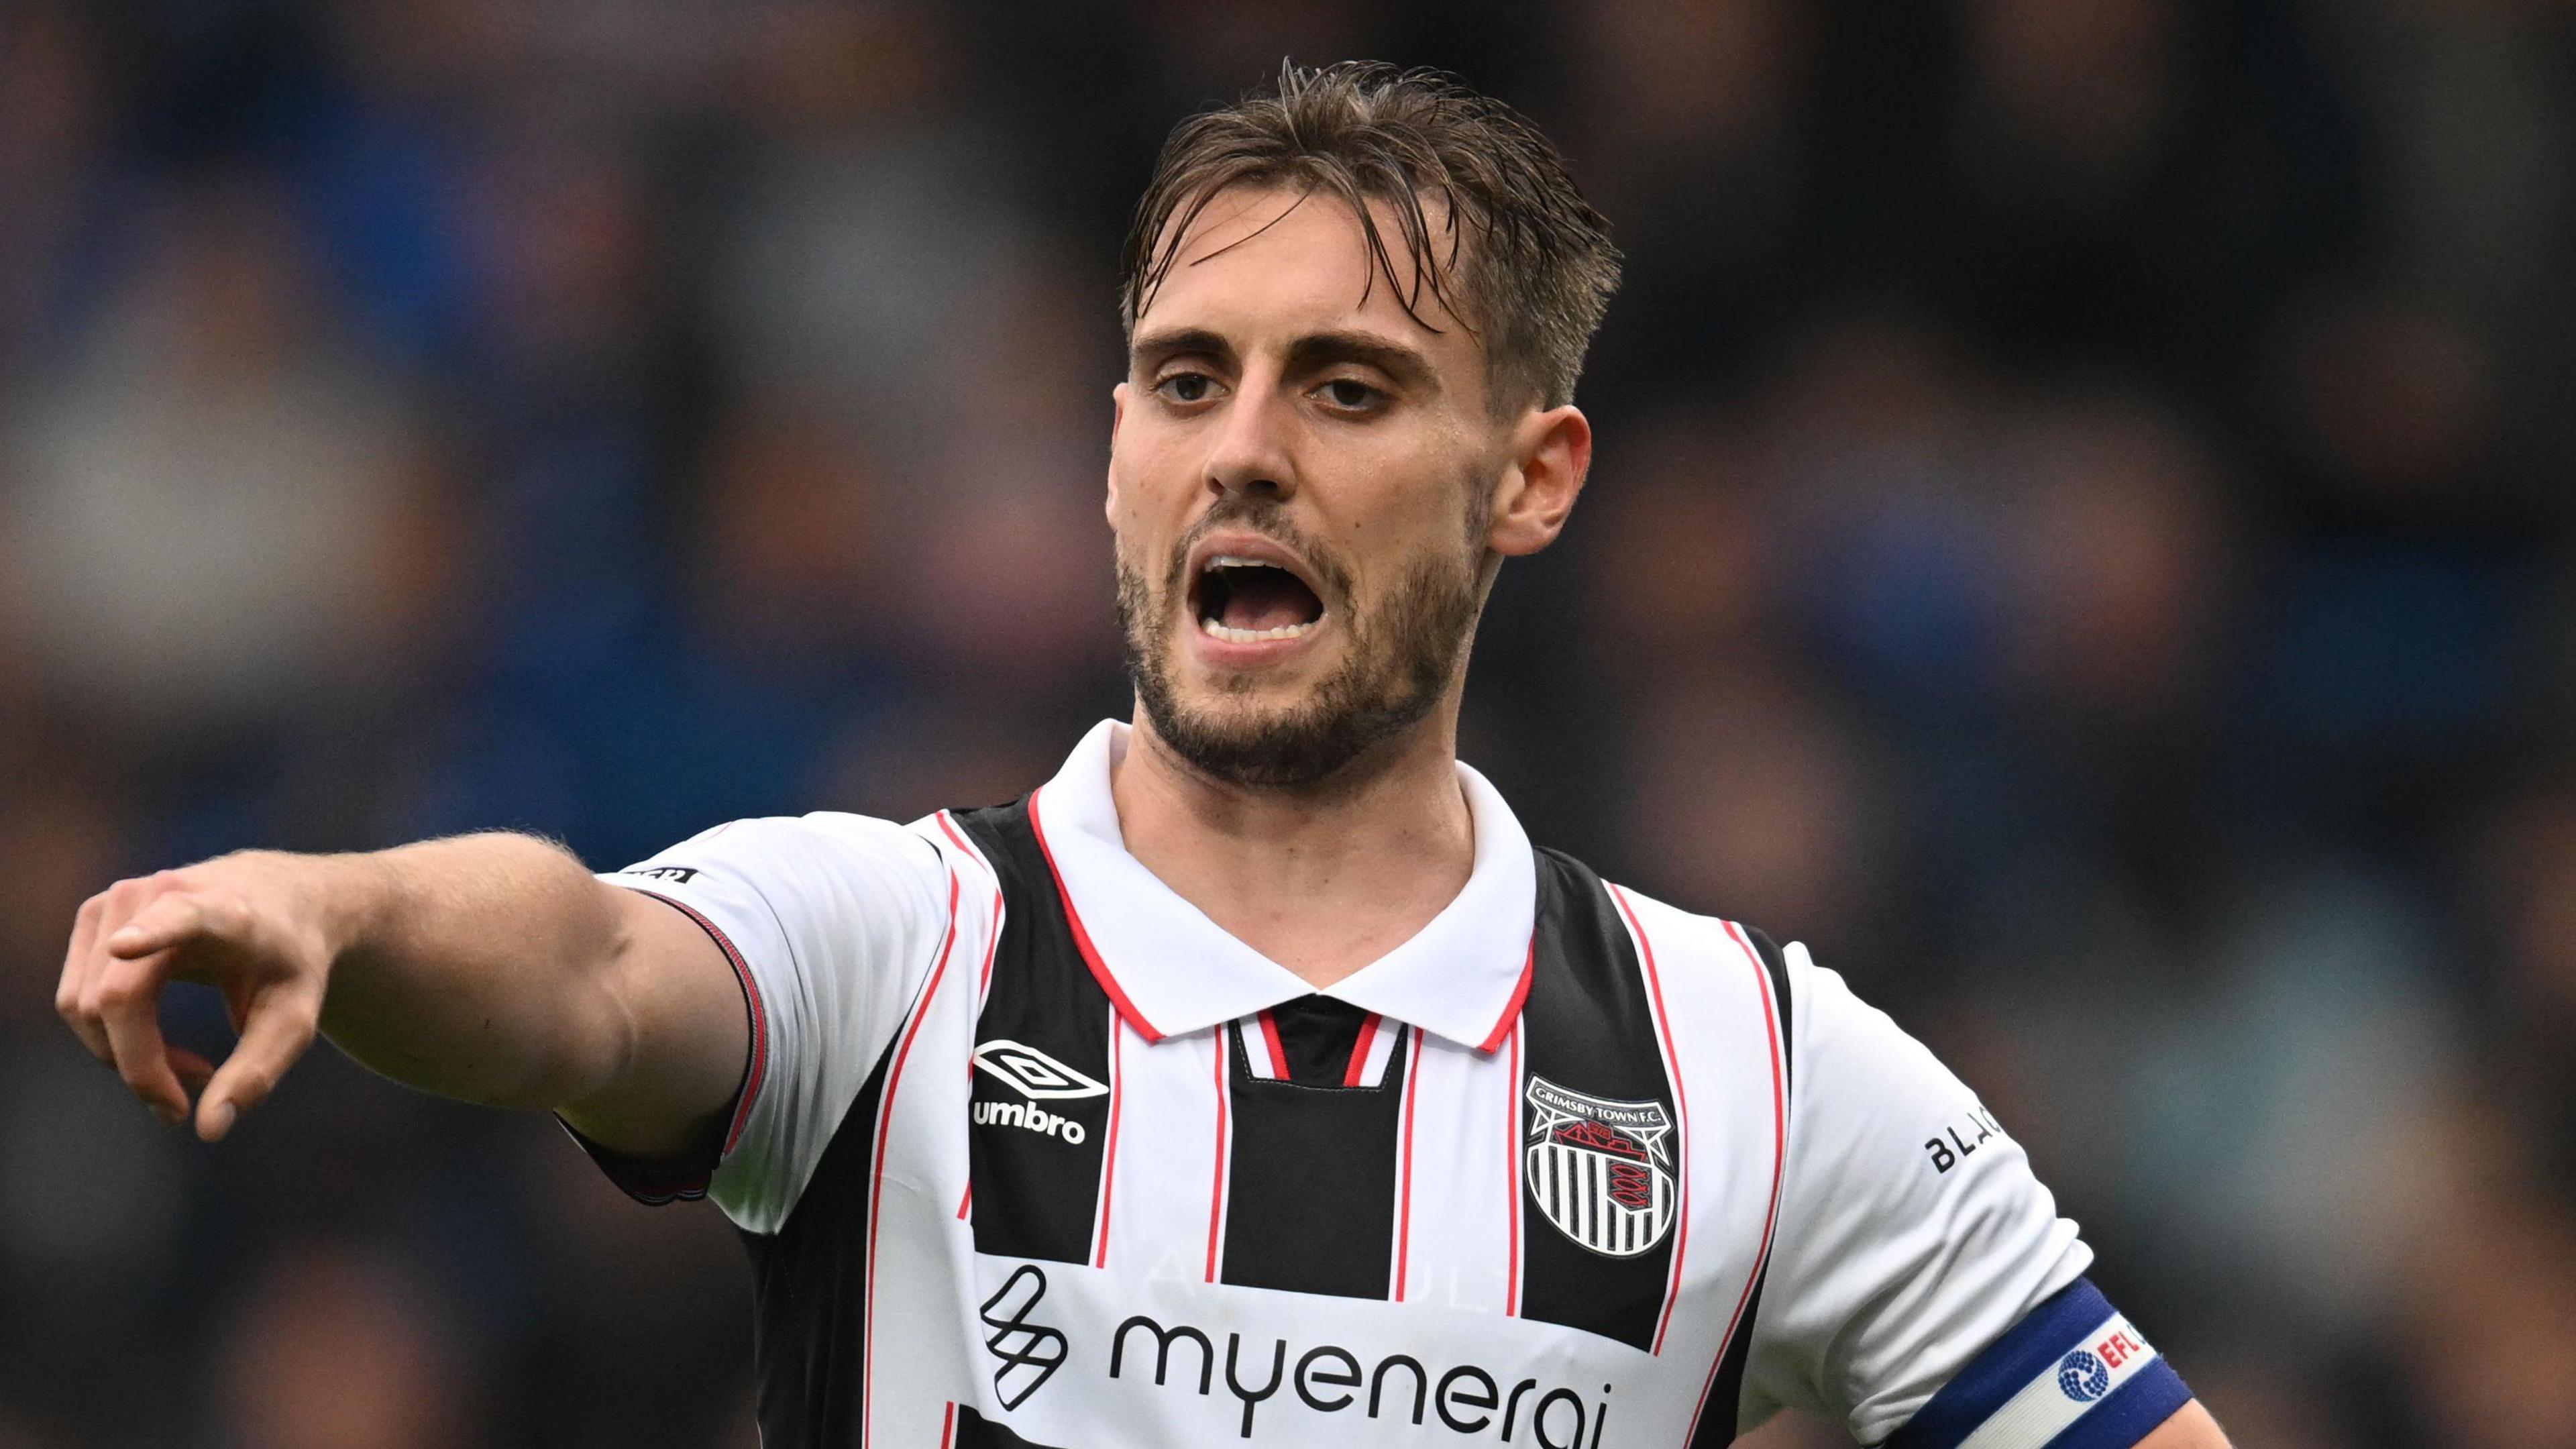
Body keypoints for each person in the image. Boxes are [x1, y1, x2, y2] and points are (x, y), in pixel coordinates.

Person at [56, 62, 2230, 1449]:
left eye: (1350, 390)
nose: (1247, 451)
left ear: (1534, 476)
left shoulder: (1751, 1074)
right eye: (1185, 380)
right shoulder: (903, 949)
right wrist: (340, 908)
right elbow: (586, 970)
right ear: (1114, 451)